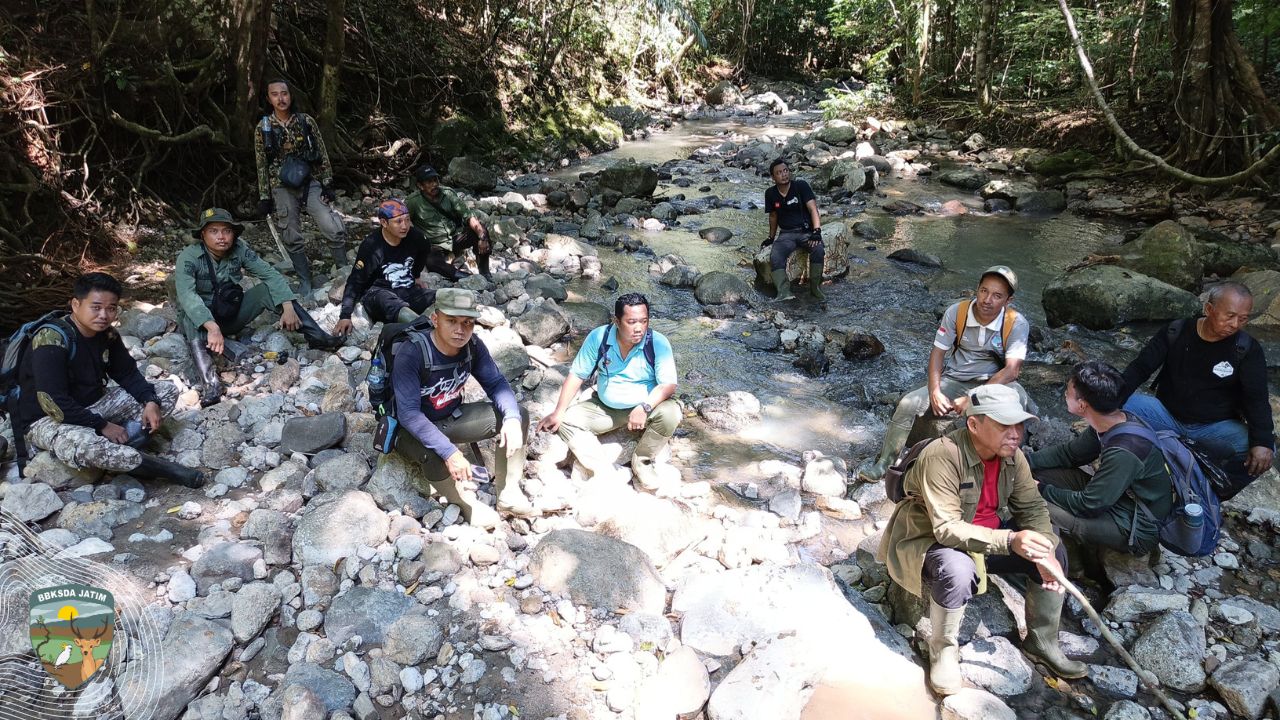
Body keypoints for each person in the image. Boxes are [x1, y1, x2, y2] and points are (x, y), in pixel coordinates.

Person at [877, 384, 1087, 696]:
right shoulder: (942, 456)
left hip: (989, 536)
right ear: (974, 425)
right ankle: (942, 649)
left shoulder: (1014, 458)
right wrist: (1011, 540)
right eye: (1004, 425)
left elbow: (1031, 507)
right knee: (958, 571)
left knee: (1051, 545)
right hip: (929, 539)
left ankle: (1043, 639)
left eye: (1019, 424)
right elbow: (947, 529)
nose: (1016, 433)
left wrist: (1045, 550)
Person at [7, 273, 203, 487]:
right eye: (96, 307)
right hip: (47, 418)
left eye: (111, 308)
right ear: (75, 304)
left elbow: (127, 373)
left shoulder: (107, 335)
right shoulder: (50, 340)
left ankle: (123, 446)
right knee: (88, 447)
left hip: (94, 404)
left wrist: (150, 401)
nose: (104, 315)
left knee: (165, 391)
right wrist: (102, 426)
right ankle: (160, 468)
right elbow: (53, 403)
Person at [858, 266, 1032, 482]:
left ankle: (1007, 472)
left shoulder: (1016, 323)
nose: (987, 300)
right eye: (984, 291)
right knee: (908, 404)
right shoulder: (956, 313)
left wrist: (972, 398)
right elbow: (938, 354)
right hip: (956, 379)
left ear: (1008, 301)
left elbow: (1012, 370)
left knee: (1016, 401)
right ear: (976, 290)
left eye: (997, 296)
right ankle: (885, 463)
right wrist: (935, 391)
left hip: (997, 383)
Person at [389, 288, 535, 528]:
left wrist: (510, 419)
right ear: (435, 319)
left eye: (467, 322)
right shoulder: (412, 352)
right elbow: (409, 415)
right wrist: (450, 452)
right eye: (452, 321)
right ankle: (462, 502)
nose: (460, 330)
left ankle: (508, 492)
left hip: (450, 418)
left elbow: (496, 383)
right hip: (410, 429)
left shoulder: (472, 346)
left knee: (519, 415)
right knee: (435, 454)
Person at [1120, 280, 1273, 499]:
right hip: (1166, 416)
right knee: (1113, 403)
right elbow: (1140, 368)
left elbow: (1256, 399)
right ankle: (1124, 467)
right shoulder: (1176, 331)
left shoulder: (1246, 349)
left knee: (1263, 450)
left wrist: (1262, 442)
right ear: (1209, 309)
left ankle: (1208, 492)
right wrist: (1109, 399)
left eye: (1243, 318)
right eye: (1229, 316)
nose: (1235, 324)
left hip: (1213, 429)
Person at [176, 208, 342, 406]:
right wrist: (211, 327)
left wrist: (287, 306)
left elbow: (269, 275)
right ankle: (211, 385)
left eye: (226, 231)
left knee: (265, 290)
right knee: (188, 316)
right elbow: (187, 295)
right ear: (203, 234)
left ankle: (317, 336)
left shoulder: (239, 249)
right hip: (204, 324)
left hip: (230, 313)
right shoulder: (189, 257)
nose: (221, 237)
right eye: (214, 231)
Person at [536, 293, 679, 490]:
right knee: (566, 421)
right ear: (617, 321)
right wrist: (558, 412)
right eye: (631, 322)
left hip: (646, 409)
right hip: (605, 408)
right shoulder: (600, 337)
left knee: (672, 413)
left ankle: (643, 461)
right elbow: (577, 375)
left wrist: (644, 407)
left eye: (644, 321)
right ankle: (602, 469)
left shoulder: (657, 343)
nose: (639, 328)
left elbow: (668, 385)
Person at [1028, 361, 1173, 555]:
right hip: (1118, 499)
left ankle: (1075, 562)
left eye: (1068, 390)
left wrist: (1040, 488)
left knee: (1031, 502)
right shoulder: (1110, 421)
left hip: (1137, 526)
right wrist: (1024, 461)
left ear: (1082, 405)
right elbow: (1070, 454)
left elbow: (1089, 505)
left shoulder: (1126, 449)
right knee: (1034, 471)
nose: (1065, 393)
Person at [254, 78, 347, 296]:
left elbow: (322, 153)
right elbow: (260, 162)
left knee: (330, 225)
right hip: (281, 185)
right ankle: (305, 280)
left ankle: (344, 272)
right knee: (291, 233)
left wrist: (327, 183)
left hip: (309, 181)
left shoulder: (306, 121)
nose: (281, 98)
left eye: (284, 93)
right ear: (269, 99)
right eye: (275, 94)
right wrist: (264, 196)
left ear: (290, 95)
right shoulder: (263, 127)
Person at [333, 199, 438, 336]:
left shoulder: (415, 237)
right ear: (384, 223)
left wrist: (416, 274)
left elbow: (425, 250)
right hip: (378, 294)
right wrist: (345, 315)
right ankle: (427, 332)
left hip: (407, 291)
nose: (405, 226)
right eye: (398, 221)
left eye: (407, 220)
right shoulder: (371, 246)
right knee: (389, 302)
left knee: (441, 296)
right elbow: (355, 281)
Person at [406, 165, 494, 280]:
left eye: (435, 180)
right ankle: (463, 277)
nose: (434, 184)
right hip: (434, 244)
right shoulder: (413, 202)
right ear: (420, 186)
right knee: (431, 262)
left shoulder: (448, 194)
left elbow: (468, 216)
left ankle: (485, 273)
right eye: (429, 182)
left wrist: (483, 238)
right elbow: (402, 222)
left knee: (481, 230)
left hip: (454, 238)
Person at [762, 158, 825, 301]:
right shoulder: (770, 194)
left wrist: (817, 231)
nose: (784, 174)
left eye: (785, 171)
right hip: (786, 234)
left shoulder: (801, 186)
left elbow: (813, 208)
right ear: (773, 177)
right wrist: (771, 238)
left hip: (805, 231)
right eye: (779, 173)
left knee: (818, 249)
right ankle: (784, 292)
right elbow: (773, 216)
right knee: (776, 256)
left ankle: (815, 288)